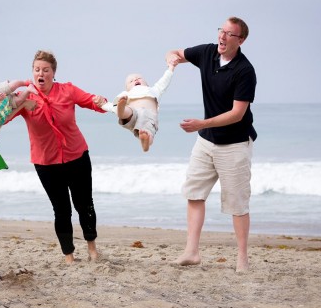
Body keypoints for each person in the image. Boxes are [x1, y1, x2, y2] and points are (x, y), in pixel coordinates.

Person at [165, 16, 257, 272]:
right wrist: (171, 61)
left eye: (230, 34)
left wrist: (201, 124)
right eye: (221, 31)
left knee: (237, 204)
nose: (223, 37)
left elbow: (237, 114)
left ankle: (242, 258)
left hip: (235, 144)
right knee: (194, 193)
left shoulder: (244, 71)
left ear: (241, 40)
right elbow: (174, 52)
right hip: (206, 143)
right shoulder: (207, 52)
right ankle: (192, 252)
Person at [5, 50, 108, 264]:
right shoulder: (26, 97)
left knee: (85, 204)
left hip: (77, 156)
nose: (40, 73)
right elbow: (4, 118)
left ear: (53, 73)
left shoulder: (67, 90)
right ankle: (69, 256)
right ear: (32, 72)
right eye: (36, 70)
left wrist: (101, 100)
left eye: (45, 70)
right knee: (61, 210)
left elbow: (95, 103)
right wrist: (19, 103)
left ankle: (92, 249)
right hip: (46, 163)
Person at [101, 62, 176, 152]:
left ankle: (146, 141)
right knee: (126, 110)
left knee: (149, 132)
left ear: (147, 84)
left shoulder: (154, 90)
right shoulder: (127, 94)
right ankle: (121, 110)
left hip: (148, 116)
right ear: (127, 88)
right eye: (131, 81)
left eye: (139, 78)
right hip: (133, 113)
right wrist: (103, 105)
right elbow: (112, 107)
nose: (135, 79)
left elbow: (164, 81)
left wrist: (171, 68)